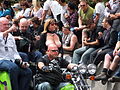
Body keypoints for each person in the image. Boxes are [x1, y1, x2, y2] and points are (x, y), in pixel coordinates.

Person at [0, 17, 32, 90]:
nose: (7, 26)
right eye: (5, 24)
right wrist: (9, 30)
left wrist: (20, 61)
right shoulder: (5, 34)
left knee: (27, 72)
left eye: (8, 24)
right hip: (1, 60)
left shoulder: (10, 37)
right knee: (13, 68)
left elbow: (15, 52)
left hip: (10, 60)